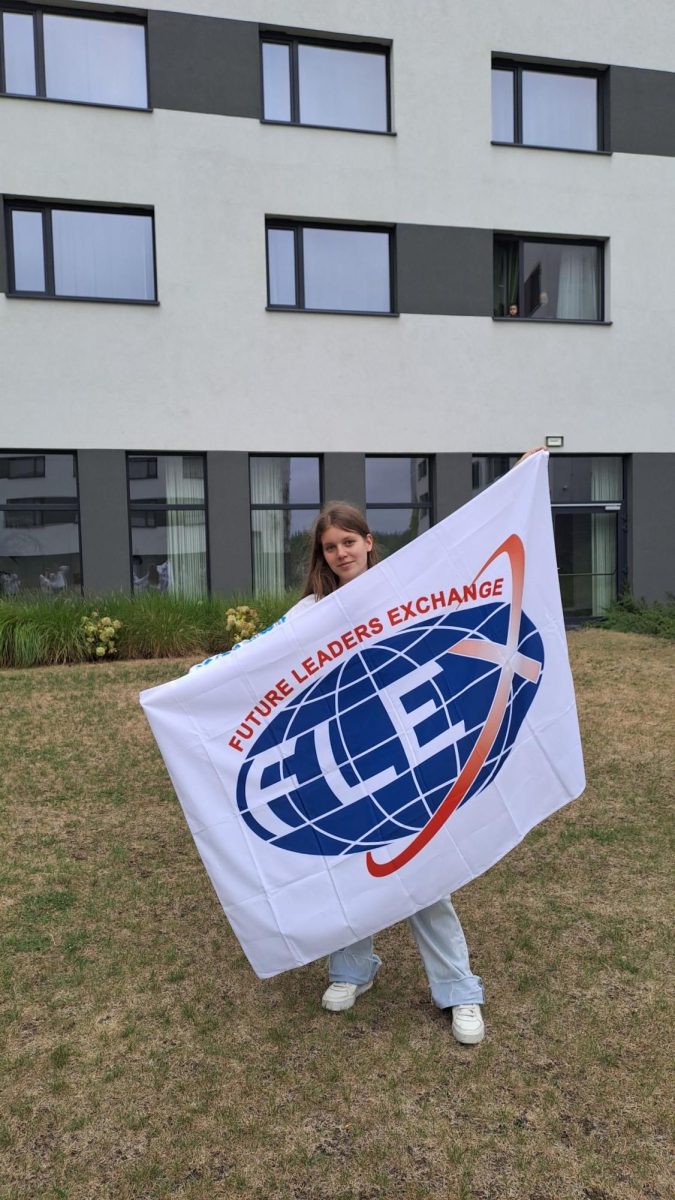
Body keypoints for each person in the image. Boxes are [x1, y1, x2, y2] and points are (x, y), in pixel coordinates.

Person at [284, 502, 486, 1045]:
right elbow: (264, 658)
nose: (341, 553)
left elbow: (465, 559)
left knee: (423, 878)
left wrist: (518, 477)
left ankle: (460, 989)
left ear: (369, 541)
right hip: (350, 760)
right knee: (353, 870)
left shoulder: (403, 590)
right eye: (331, 546)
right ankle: (352, 970)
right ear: (321, 555)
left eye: (349, 541)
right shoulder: (312, 611)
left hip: (411, 752)